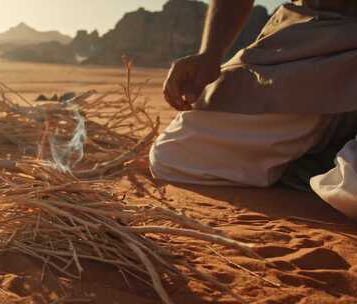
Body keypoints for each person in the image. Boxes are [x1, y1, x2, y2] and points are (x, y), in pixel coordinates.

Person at [149, 0, 357, 219]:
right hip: (306, 46)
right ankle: (319, 154)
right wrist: (210, 53)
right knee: (176, 156)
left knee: (351, 188)